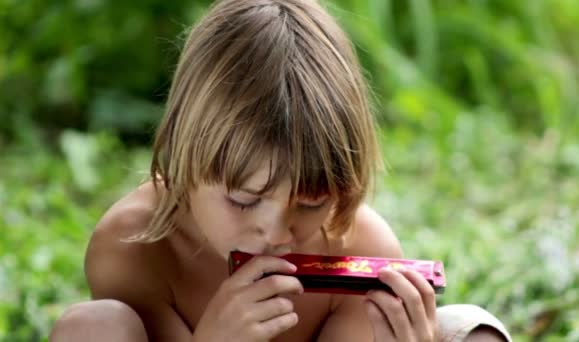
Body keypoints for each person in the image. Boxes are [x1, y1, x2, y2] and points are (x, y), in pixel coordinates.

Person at [49, 0, 512, 341]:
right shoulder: (134, 250)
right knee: (91, 328)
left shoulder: (359, 246)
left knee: (473, 331)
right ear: (186, 157)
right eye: (244, 199)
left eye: (311, 204)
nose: (275, 233)